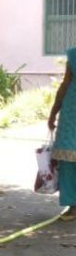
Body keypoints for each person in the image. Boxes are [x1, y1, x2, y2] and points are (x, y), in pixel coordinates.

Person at [48, 45, 76, 220]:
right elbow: (66, 83)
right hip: (71, 113)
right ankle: (72, 205)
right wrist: (54, 112)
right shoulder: (74, 55)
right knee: (67, 161)